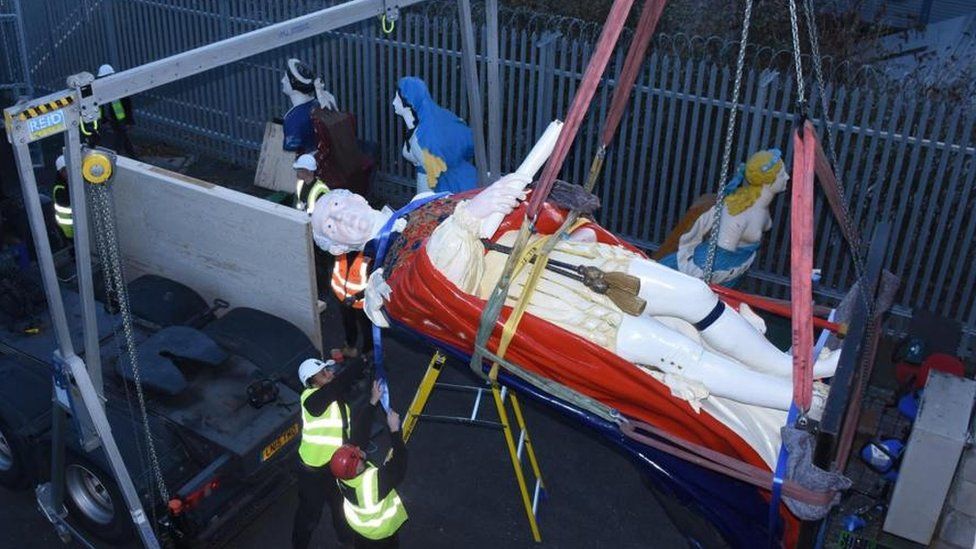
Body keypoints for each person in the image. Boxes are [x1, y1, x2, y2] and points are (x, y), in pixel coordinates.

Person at [310, 125, 837, 468]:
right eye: (333, 223)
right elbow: (442, 284)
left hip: (566, 262)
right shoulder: (387, 276)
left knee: (693, 294)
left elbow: (507, 214)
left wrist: (526, 209)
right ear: (340, 243)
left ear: (356, 195)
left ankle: (794, 367)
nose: (343, 213)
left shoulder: (427, 201)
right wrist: (473, 217)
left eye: (339, 203)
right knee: (675, 356)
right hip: (537, 311)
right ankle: (797, 401)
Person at [659, 149, 788, 286]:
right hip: (714, 269)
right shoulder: (739, 214)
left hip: (733, 269)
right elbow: (720, 255)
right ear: (767, 181)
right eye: (781, 175)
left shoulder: (759, 206)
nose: (787, 177)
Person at [292, 357, 377, 549]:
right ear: (312, 381)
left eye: (328, 370)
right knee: (309, 515)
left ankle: (346, 540)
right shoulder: (311, 399)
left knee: (340, 507)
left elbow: (345, 432)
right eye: (324, 373)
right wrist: (361, 360)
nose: (330, 373)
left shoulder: (336, 400)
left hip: (333, 468)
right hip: (312, 472)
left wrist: (372, 403)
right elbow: (337, 385)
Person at [330, 408, 408, 548]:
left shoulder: (342, 476)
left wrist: (372, 404)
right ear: (358, 467)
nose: (359, 449)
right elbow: (400, 463)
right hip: (381, 536)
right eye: (357, 453)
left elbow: (357, 439)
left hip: (361, 532)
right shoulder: (373, 484)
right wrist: (395, 431)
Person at [393, 77, 477, 194]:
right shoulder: (441, 117)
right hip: (468, 179)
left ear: (408, 103)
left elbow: (429, 182)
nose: (393, 102)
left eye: (397, 99)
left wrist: (422, 206)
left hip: (447, 190)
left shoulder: (421, 138)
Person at [282, 58, 338, 155]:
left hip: (308, 163)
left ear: (294, 87)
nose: (282, 81)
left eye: (286, 80)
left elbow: (290, 147)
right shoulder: (318, 103)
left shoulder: (292, 119)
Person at [81, 65, 138, 158]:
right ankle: (130, 155)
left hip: (118, 120)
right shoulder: (99, 89)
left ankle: (121, 155)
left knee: (119, 138)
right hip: (110, 120)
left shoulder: (119, 89)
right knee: (120, 137)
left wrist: (129, 121)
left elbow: (127, 105)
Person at [331, 250, 373, 358]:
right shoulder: (339, 249)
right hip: (343, 297)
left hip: (361, 303)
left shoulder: (370, 257)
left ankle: (368, 352)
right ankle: (350, 347)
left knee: (366, 328)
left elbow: (374, 284)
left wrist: (356, 297)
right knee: (348, 323)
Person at [51, 155, 72, 239]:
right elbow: (67, 202)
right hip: (70, 232)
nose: (69, 172)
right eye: (65, 170)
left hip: (77, 228)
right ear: (60, 172)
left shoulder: (68, 184)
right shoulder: (60, 189)